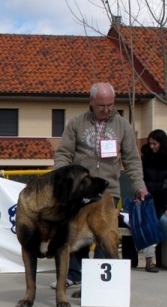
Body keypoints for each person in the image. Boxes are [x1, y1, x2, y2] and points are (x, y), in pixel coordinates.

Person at [52, 82, 147, 288]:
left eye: (110, 105)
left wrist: (139, 187)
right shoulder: (76, 123)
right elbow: (63, 153)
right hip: (79, 189)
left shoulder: (123, 126)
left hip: (108, 190)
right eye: (101, 105)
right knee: (75, 231)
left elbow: (132, 160)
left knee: (104, 232)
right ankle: (74, 274)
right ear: (91, 101)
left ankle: (99, 279)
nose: (106, 109)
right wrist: (62, 176)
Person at [141, 129, 167, 270]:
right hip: (147, 198)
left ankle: (162, 259)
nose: (152, 146)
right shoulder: (145, 158)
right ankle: (149, 261)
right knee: (147, 225)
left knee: (163, 222)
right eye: (150, 143)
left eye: (155, 144)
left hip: (164, 199)